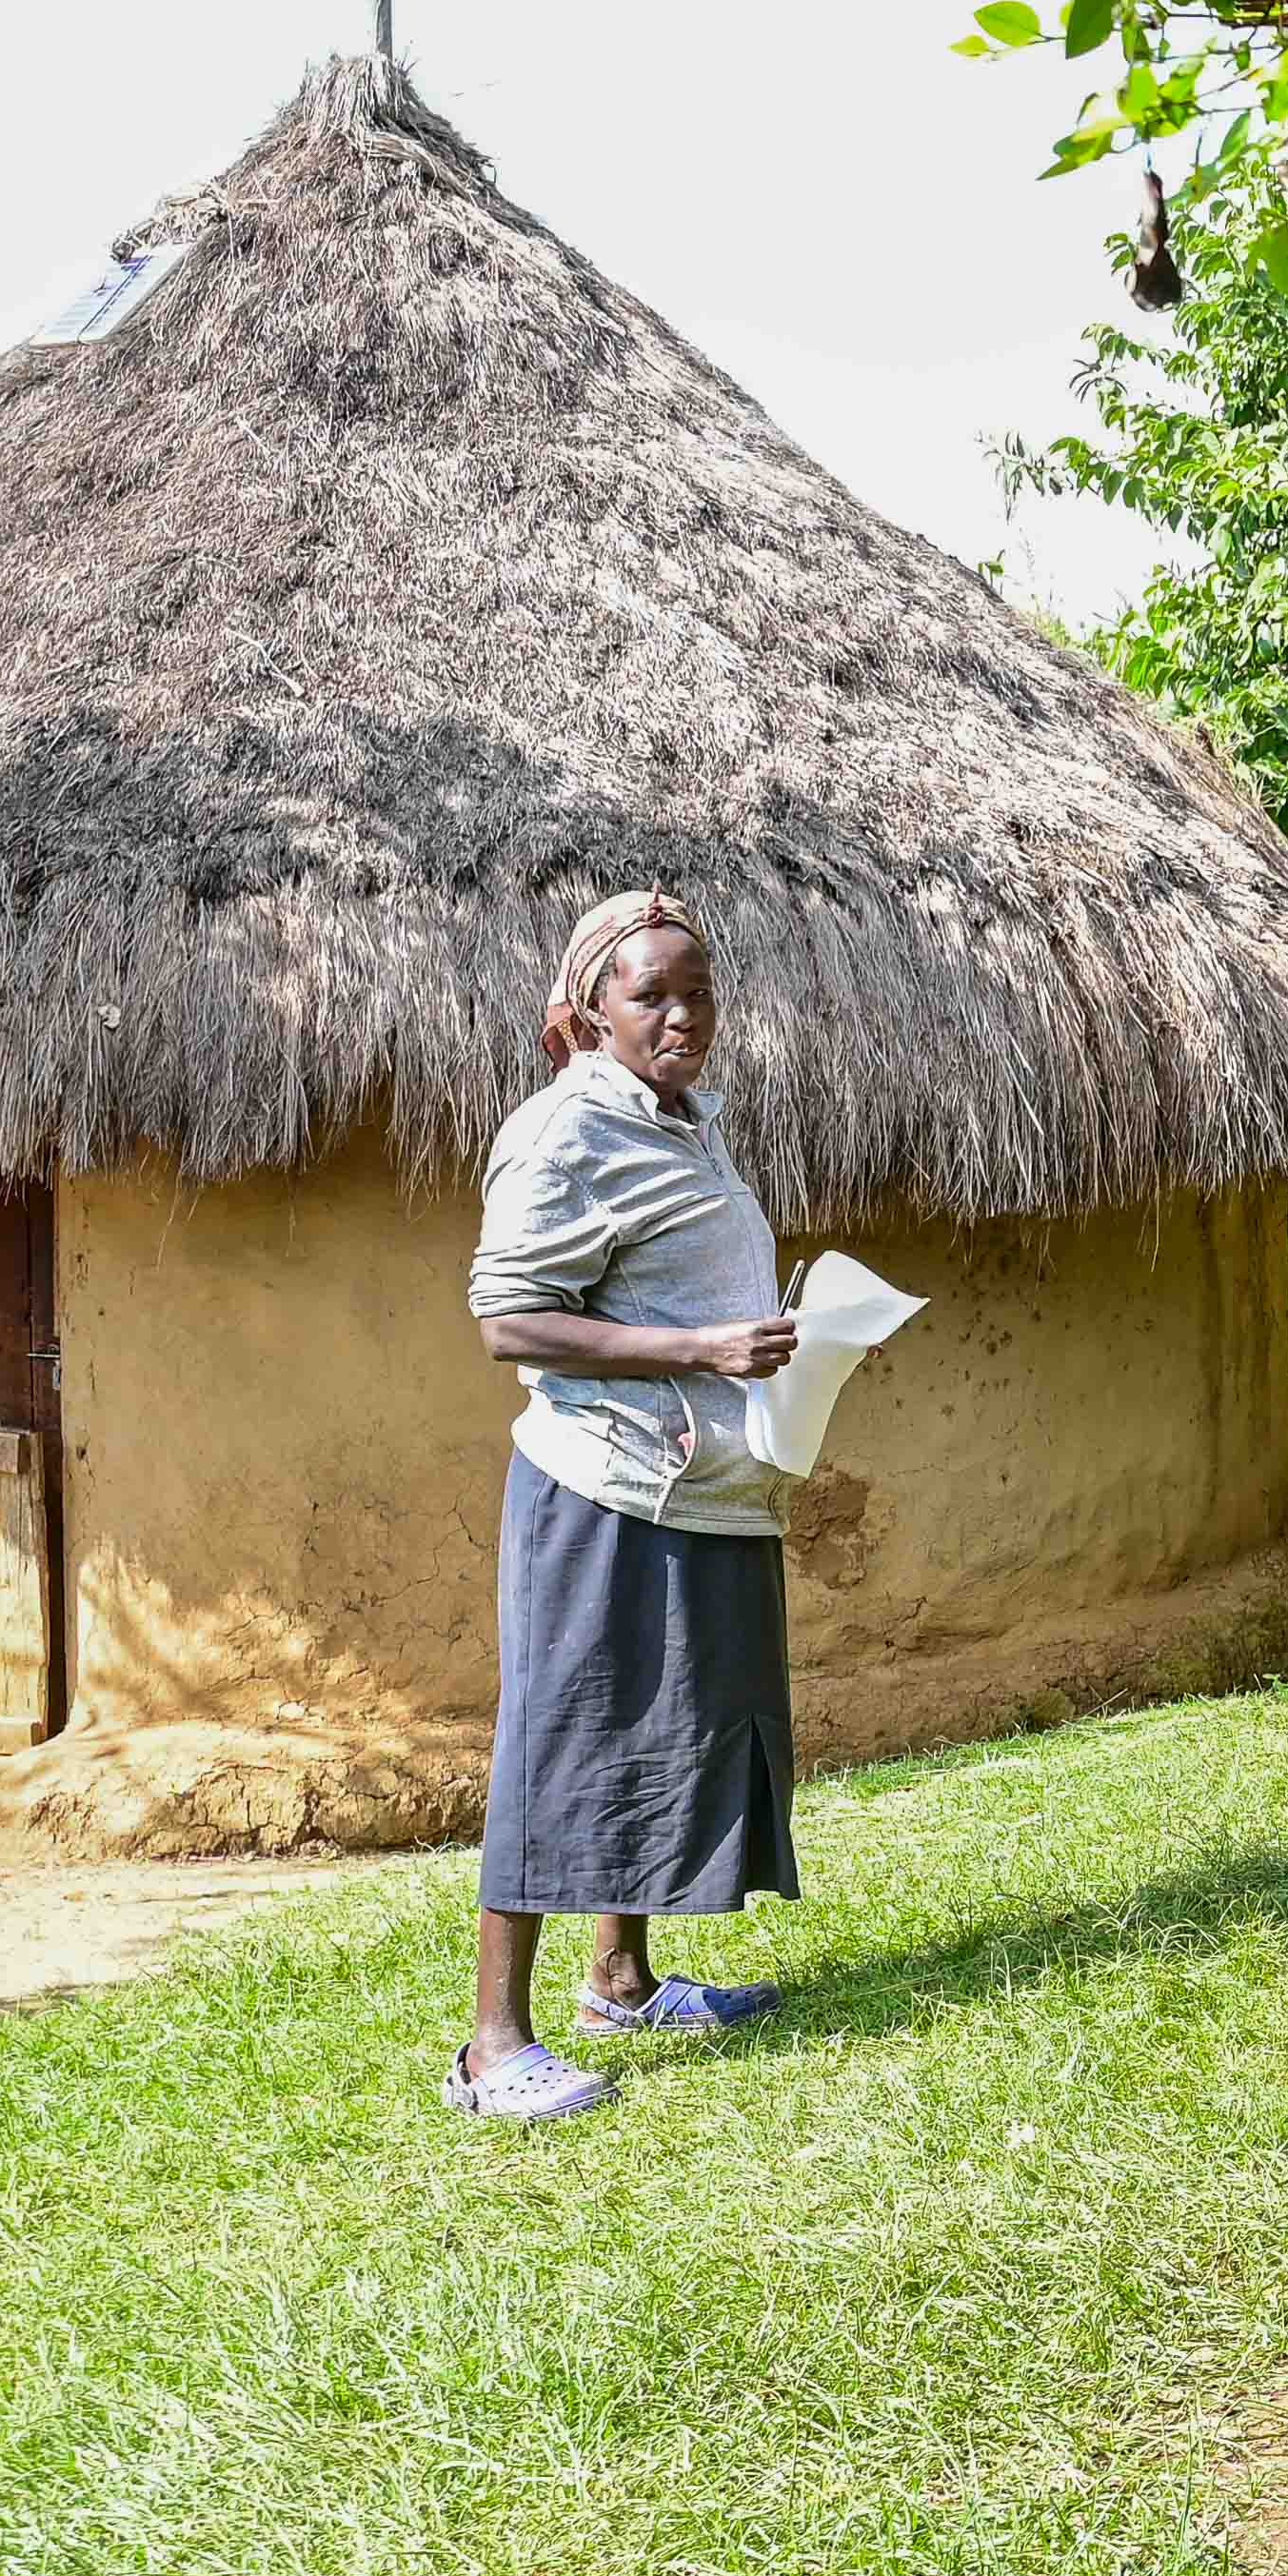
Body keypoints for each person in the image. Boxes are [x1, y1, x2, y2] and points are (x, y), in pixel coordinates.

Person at [449, 889, 807, 2127]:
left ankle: (623, 1980)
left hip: (698, 1487)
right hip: (600, 1485)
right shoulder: (563, 1134)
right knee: (562, 1741)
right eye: (651, 994)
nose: (682, 1016)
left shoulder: (687, 1125)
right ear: (587, 1016)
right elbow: (509, 1319)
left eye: (698, 991)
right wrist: (704, 1348)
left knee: (660, 1730)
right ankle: (494, 2048)